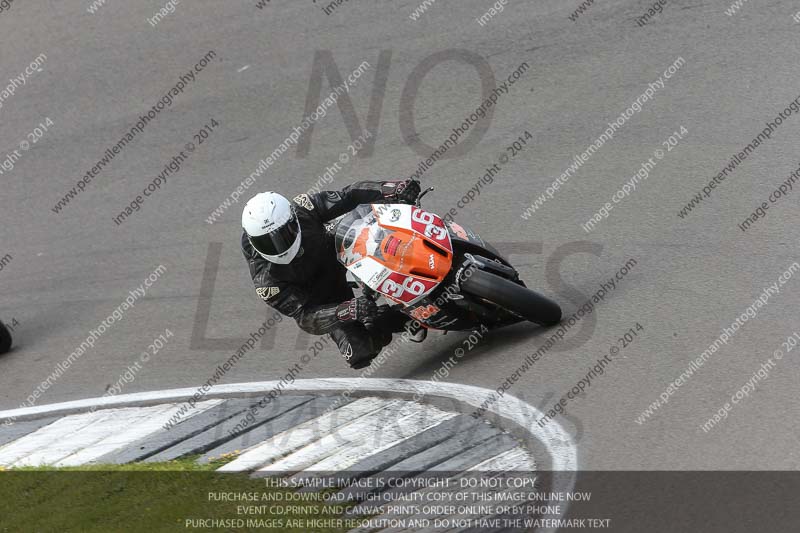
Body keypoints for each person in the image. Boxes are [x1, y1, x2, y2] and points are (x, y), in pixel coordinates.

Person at [241, 179, 422, 369]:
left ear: (293, 219)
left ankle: (423, 247)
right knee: (359, 353)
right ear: (253, 243)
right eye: (266, 243)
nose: (280, 246)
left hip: (336, 249)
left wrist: (391, 188)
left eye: (284, 234)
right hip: (325, 297)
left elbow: (349, 195)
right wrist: (346, 310)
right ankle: (402, 317)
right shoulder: (267, 282)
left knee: (384, 217)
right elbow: (305, 317)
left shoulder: (304, 208)